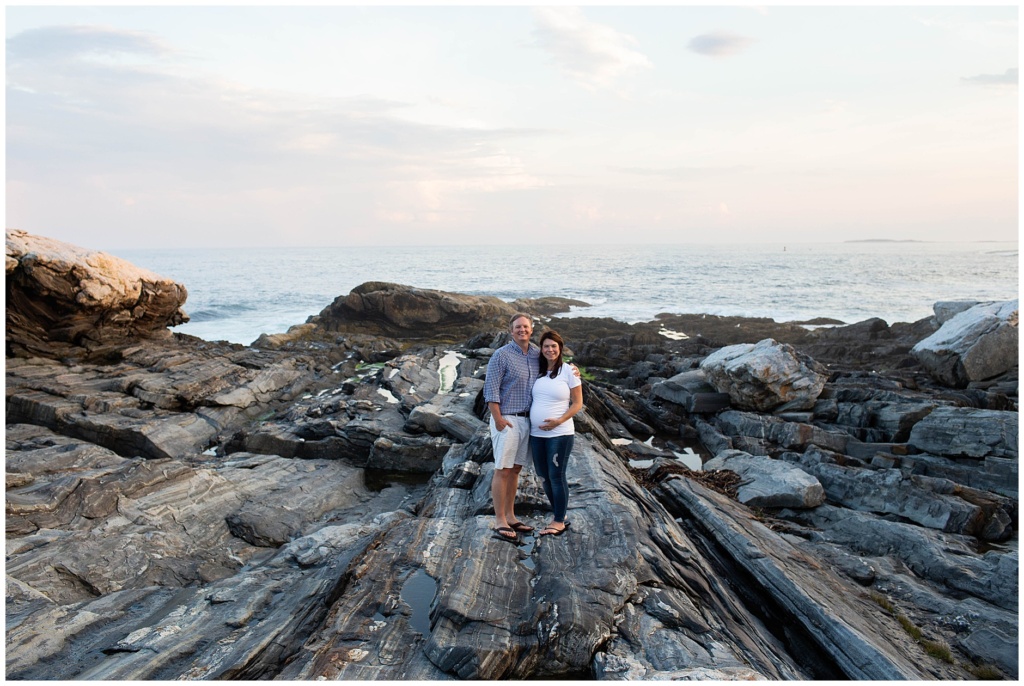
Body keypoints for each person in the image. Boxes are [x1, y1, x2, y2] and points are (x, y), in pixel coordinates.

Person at [483, 313, 541, 542]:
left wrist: (573, 370)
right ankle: (500, 519)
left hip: (527, 420)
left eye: (525, 326)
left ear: (531, 329)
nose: (522, 330)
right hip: (506, 419)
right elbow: (491, 389)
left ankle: (511, 515)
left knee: (516, 469)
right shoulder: (501, 355)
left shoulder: (537, 354)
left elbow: (555, 367)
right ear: (511, 330)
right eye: (518, 327)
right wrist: (497, 419)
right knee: (503, 469)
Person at [529, 330, 583, 537]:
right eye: (546, 346)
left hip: (560, 433)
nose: (550, 350)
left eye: (554, 346)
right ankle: (559, 514)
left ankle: (559, 521)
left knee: (556, 476)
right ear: (541, 349)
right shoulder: (538, 370)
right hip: (537, 434)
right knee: (543, 476)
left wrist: (559, 421)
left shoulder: (569, 371)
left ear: (560, 348)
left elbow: (577, 403)